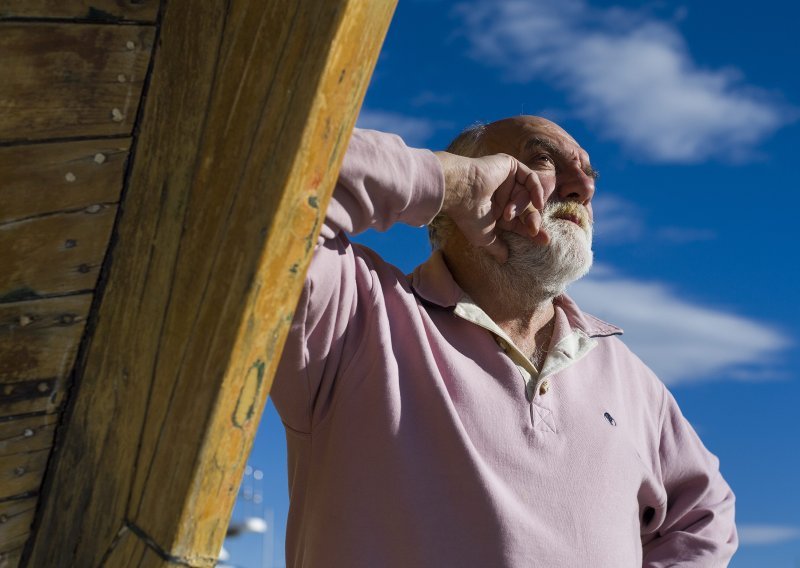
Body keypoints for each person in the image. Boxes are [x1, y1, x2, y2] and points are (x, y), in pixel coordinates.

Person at [273, 116, 737, 567]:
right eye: (543, 160)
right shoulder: (354, 312)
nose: (584, 188)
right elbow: (270, 183)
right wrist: (447, 182)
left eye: (589, 175)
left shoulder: (627, 375)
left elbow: (706, 516)